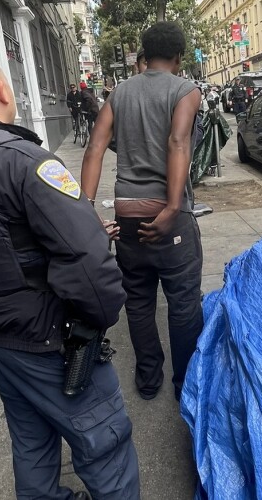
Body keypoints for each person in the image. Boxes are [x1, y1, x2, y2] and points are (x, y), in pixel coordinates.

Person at [0, 47, 140, 500]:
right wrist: (97, 321)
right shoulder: (24, 161)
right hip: (49, 341)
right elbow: (88, 263)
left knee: (32, 442)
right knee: (105, 447)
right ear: (0, 88)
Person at [81, 22, 203, 401]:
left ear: (143, 56)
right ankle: (185, 382)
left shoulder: (118, 93)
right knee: (183, 301)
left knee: (138, 300)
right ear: (179, 58)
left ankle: (148, 379)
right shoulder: (186, 90)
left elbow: (95, 148)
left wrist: (86, 208)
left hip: (127, 211)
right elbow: (178, 140)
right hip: (168, 214)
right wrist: (171, 206)